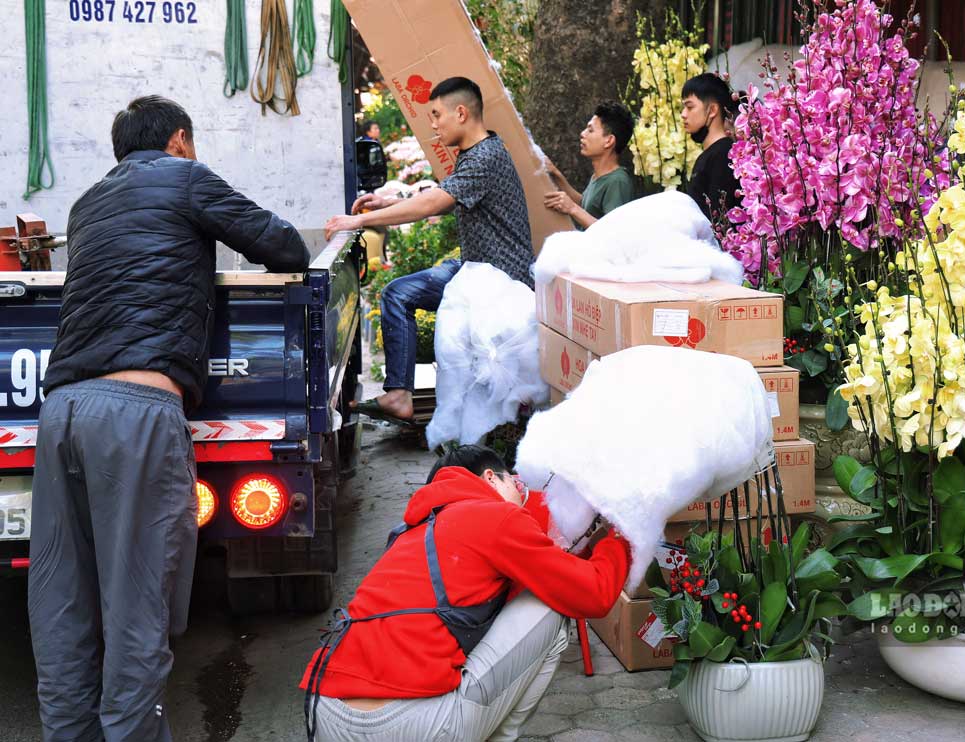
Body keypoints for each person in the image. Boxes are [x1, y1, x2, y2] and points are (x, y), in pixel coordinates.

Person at [29, 95, 309, 742]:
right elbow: (285, 247)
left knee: (60, 606)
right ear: (179, 141)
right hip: (136, 414)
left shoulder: (87, 203)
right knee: (137, 612)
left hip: (62, 413)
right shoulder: (186, 176)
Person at [300, 445, 629, 742]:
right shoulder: (497, 516)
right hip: (406, 726)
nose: (521, 493)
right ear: (491, 478)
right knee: (551, 605)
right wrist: (621, 535)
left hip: (324, 714)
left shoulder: (410, 532)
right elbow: (593, 594)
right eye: (516, 484)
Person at [324, 77, 535, 424]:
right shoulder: (477, 153)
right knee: (398, 293)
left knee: (399, 295)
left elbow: (432, 203)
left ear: (461, 113)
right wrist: (389, 199)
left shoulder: (485, 156)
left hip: (499, 281)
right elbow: (444, 197)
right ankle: (399, 395)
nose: (434, 125)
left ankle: (402, 397)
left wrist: (358, 221)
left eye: (437, 115)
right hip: (476, 269)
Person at [544, 101, 637, 229]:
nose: (583, 133)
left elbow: (613, 234)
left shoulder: (618, 182)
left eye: (590, 130)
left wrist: (572, 208)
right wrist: (556, 175)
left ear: (608, 141)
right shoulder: (599, 176)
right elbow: (587, 205)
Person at [680, 72, 741, 222]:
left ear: (712, 110)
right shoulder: (712, 154)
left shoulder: (724, 154)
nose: (683, 114)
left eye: (689, 107)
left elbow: (719, 218)